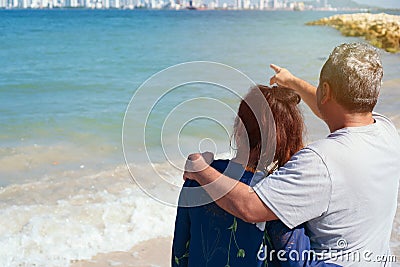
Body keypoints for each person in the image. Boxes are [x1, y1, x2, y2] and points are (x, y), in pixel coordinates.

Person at [183, 43, 400, 266]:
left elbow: (249, 207)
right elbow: (336, 109)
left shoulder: (319, 161)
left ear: (325, 91)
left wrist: (201, 170)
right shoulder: (386, 130)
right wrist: (292, 82)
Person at [172, 85, 340, 267]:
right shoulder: (274, 194)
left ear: (238, 126)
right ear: (286, 138)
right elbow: (297, 262)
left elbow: (180, 253)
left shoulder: (198, 176)